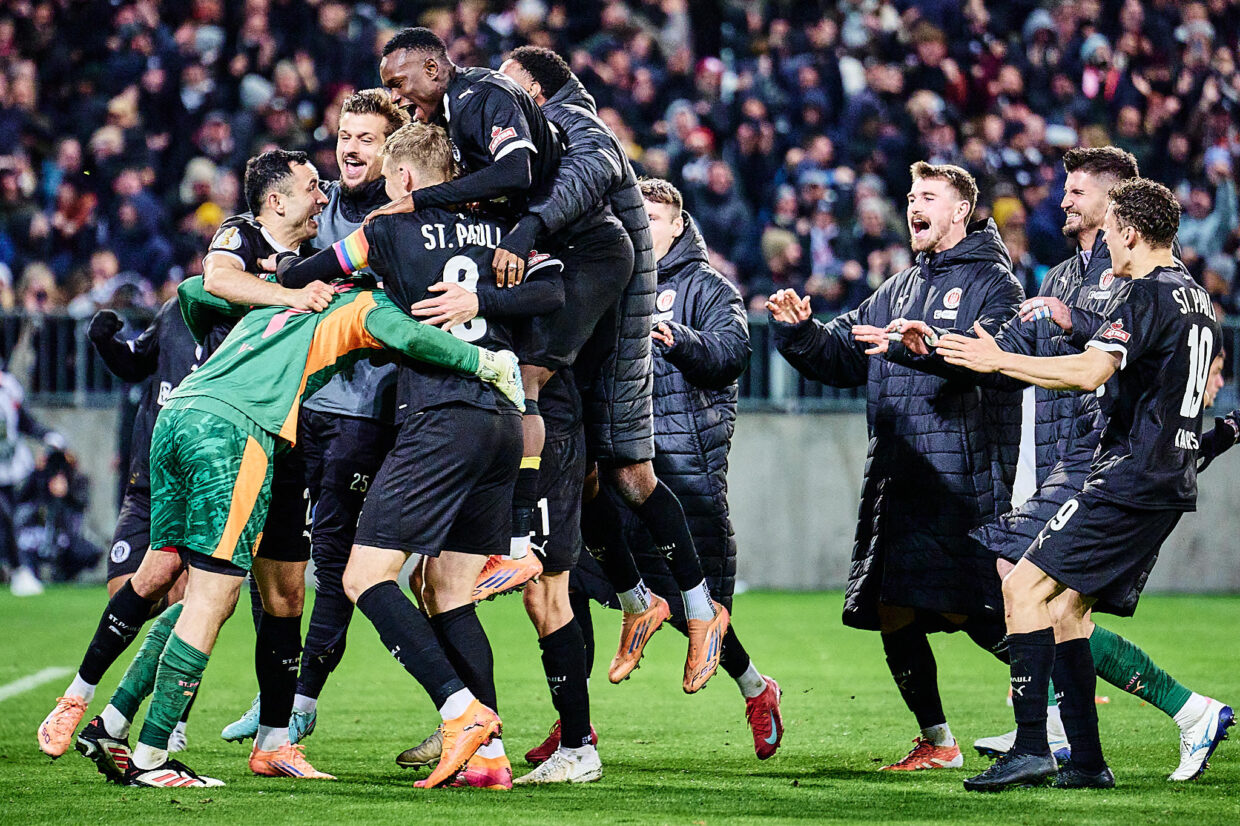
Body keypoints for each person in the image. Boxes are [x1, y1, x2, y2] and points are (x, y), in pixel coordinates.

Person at [113, 273, 520, 788]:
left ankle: (110, 718)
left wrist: (263, 302)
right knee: (220, 597)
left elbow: (195, 291)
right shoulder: (366, 305)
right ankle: (152, 756)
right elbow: (414, 336)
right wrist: (487, 362)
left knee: (235, 586)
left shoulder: (272, 294)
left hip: (184, 412)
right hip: (242, 430)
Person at [279, 121, 564, 790]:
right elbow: (553, 293)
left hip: (440, 417)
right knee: (449, 593)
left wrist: (294, 271)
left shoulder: (386, 229)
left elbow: (304, 272)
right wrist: (486, 299)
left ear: (403, 177)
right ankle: (489, 758)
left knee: (362, 578)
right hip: (504, 422)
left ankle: (461, 712)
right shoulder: (502, 228)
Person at [37, 149, 336, 764]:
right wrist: (292, 295)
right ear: (276, 199)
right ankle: (110, 715)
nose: (323, 195)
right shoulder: (239, 239)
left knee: (283, 596)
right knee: (183, 590)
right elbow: (218, 280)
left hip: (284, 439)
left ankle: (272, 741)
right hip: (224, 439)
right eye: (312, 185)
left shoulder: (315, 252)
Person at [954, 147, 1231, 782]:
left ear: (1129, 232)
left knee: (1022, 586)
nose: (1103, 242)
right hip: (1165, 479)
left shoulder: (1145, 294)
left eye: (1109, 231)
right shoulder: (1198, 298)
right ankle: (1086, 760)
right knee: (1065, 609)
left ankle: (1031, 747)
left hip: (1128, 476)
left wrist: (1000, 360)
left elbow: (1089, 372)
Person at [767, 162, 1024, 771]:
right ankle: (939, 742)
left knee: (973, 608)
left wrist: (927, 348)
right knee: (892, 608)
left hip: (959, 475)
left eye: (928, 196)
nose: (914, 205)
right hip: (898, 474)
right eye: (910, 196)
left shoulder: (995, 283)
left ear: (960, 211)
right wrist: (800, 332)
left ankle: (1064, 693)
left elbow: (997, 358)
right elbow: (843, 351)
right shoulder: (900, 287)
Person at [494, 45, 729, 699]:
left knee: (630, 474)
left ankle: (701, 611)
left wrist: (529, 226)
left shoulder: (576, 123)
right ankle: (637, 602)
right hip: (593, 313)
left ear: (536, 90)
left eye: (510, 85)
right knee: (589, 477)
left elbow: (590, 171)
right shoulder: (542, 134)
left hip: (620, 317)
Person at [219, 89, 410, 746]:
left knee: (332, 558)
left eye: (366, 138)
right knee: (273, 553)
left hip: (365, 409)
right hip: (298, 406)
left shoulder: (402, 217)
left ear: (392, 149)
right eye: (344, 136)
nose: (350, 148)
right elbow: (257, 237)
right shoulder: (314, 206)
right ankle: (277, 692)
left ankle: (302, 700)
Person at [603, 178, 782, 761]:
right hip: (614, 457)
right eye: (636, 216)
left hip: (682, 468)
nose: (642, 226)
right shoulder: (615, 279)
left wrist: (680, 339)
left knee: (691, 608)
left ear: (678, 226)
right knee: (570, 583)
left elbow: (732, 353)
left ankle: (755, 688)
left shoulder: (707, 286)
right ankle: (572, 723)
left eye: (653, 218)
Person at [0, 364, 67, 596]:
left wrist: (46, 435)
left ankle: (20, 570)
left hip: (9, 468)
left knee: (9, 518)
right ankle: (19, 569)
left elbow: (24, 421)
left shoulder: (9, 387)